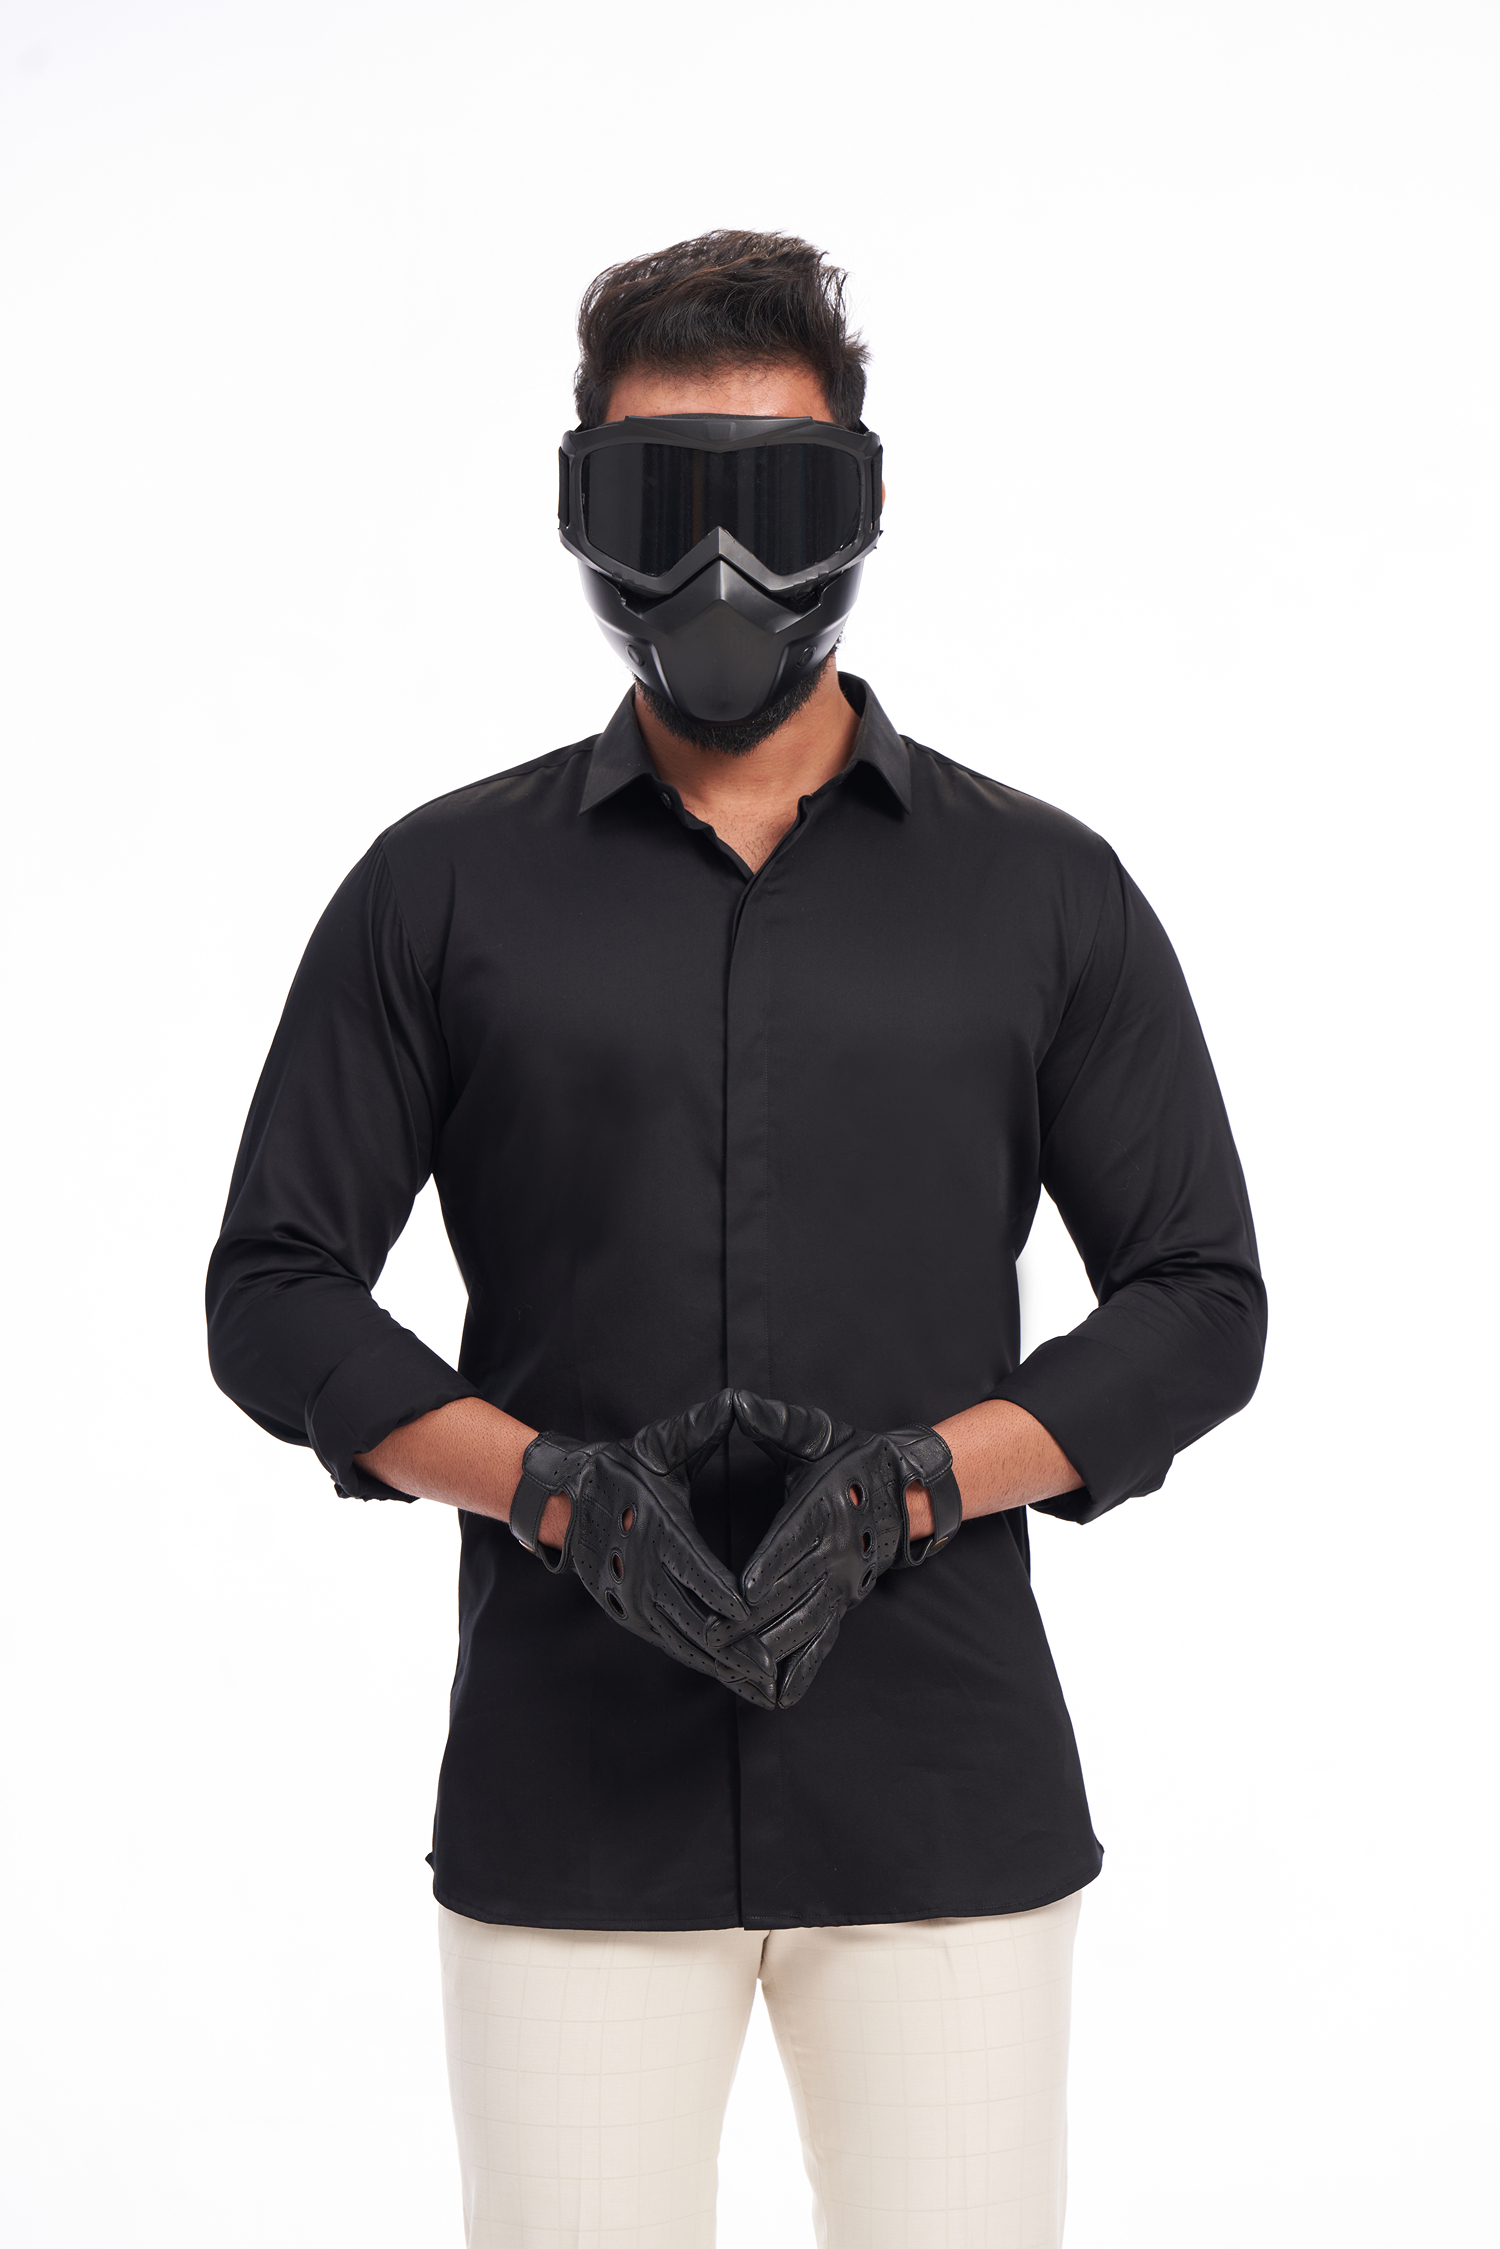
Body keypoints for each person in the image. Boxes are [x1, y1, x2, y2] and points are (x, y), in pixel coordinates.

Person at [207, 229, 1265, 2249]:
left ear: (863, 500)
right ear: (576, 510)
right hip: (566, 1795)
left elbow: (1201, 1300)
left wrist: (918, 1482)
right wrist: (550, 1495)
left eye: (774, 493)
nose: (716, 559)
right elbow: (274, 1288)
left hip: (943, 1793)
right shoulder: (437, 891)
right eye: (653, 494)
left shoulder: (1047, 893)